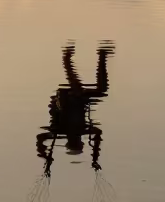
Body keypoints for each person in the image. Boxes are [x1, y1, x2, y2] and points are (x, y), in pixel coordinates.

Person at [36, 44, 114, 177]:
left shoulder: (59, 131)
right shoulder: (83, 130)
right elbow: (98, 134)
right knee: (102, 90)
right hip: (80, 99)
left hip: (63, 98)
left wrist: (45, 156)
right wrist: (95, 157)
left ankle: (67, 59)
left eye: (75, 142)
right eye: (78, 143)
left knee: (77, 90)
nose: (76, 140)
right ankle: (102, 56)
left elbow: (40, 138)